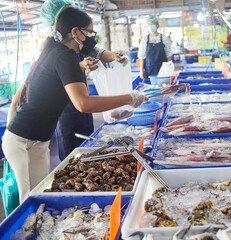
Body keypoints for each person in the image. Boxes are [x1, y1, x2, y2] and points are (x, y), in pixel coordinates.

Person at [2, 6, 147, 203]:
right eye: (89, 32)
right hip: (21, 141)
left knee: (40, 196)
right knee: (29, 200)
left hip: (39, 141)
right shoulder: (63, 56)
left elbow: (96, 55)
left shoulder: (57, 52)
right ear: (75, 32)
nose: (91, 37)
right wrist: (129, 97)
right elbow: (83, 103)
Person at [41, 0, 128, 160]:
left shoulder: (78, 38)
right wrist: (81, 65)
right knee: (71, 154)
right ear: (56, 20)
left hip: (83, 99)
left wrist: (114, 55)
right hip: (65, 107)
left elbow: (97, 51)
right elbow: (60, 72)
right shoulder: (55, 49)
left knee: (88, 146)